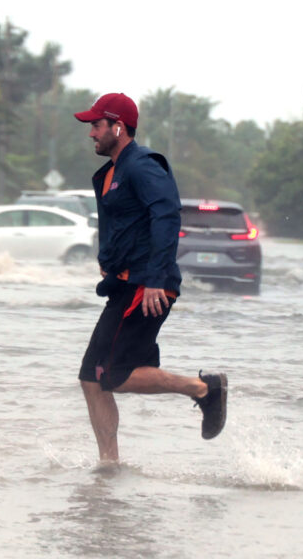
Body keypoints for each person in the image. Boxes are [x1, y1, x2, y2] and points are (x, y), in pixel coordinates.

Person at [73, 92, 227, 462]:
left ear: (118, 127)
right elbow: (126, 224)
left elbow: (167, 215)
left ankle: (204, 389)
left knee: (113, 375)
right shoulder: (113, 171)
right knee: (92, 379)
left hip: (147, 286)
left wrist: (156, 278)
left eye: (96, 125)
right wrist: (108, 260)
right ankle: (109, 465)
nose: (91, 133)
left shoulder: (141, 165)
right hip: (125, 285)